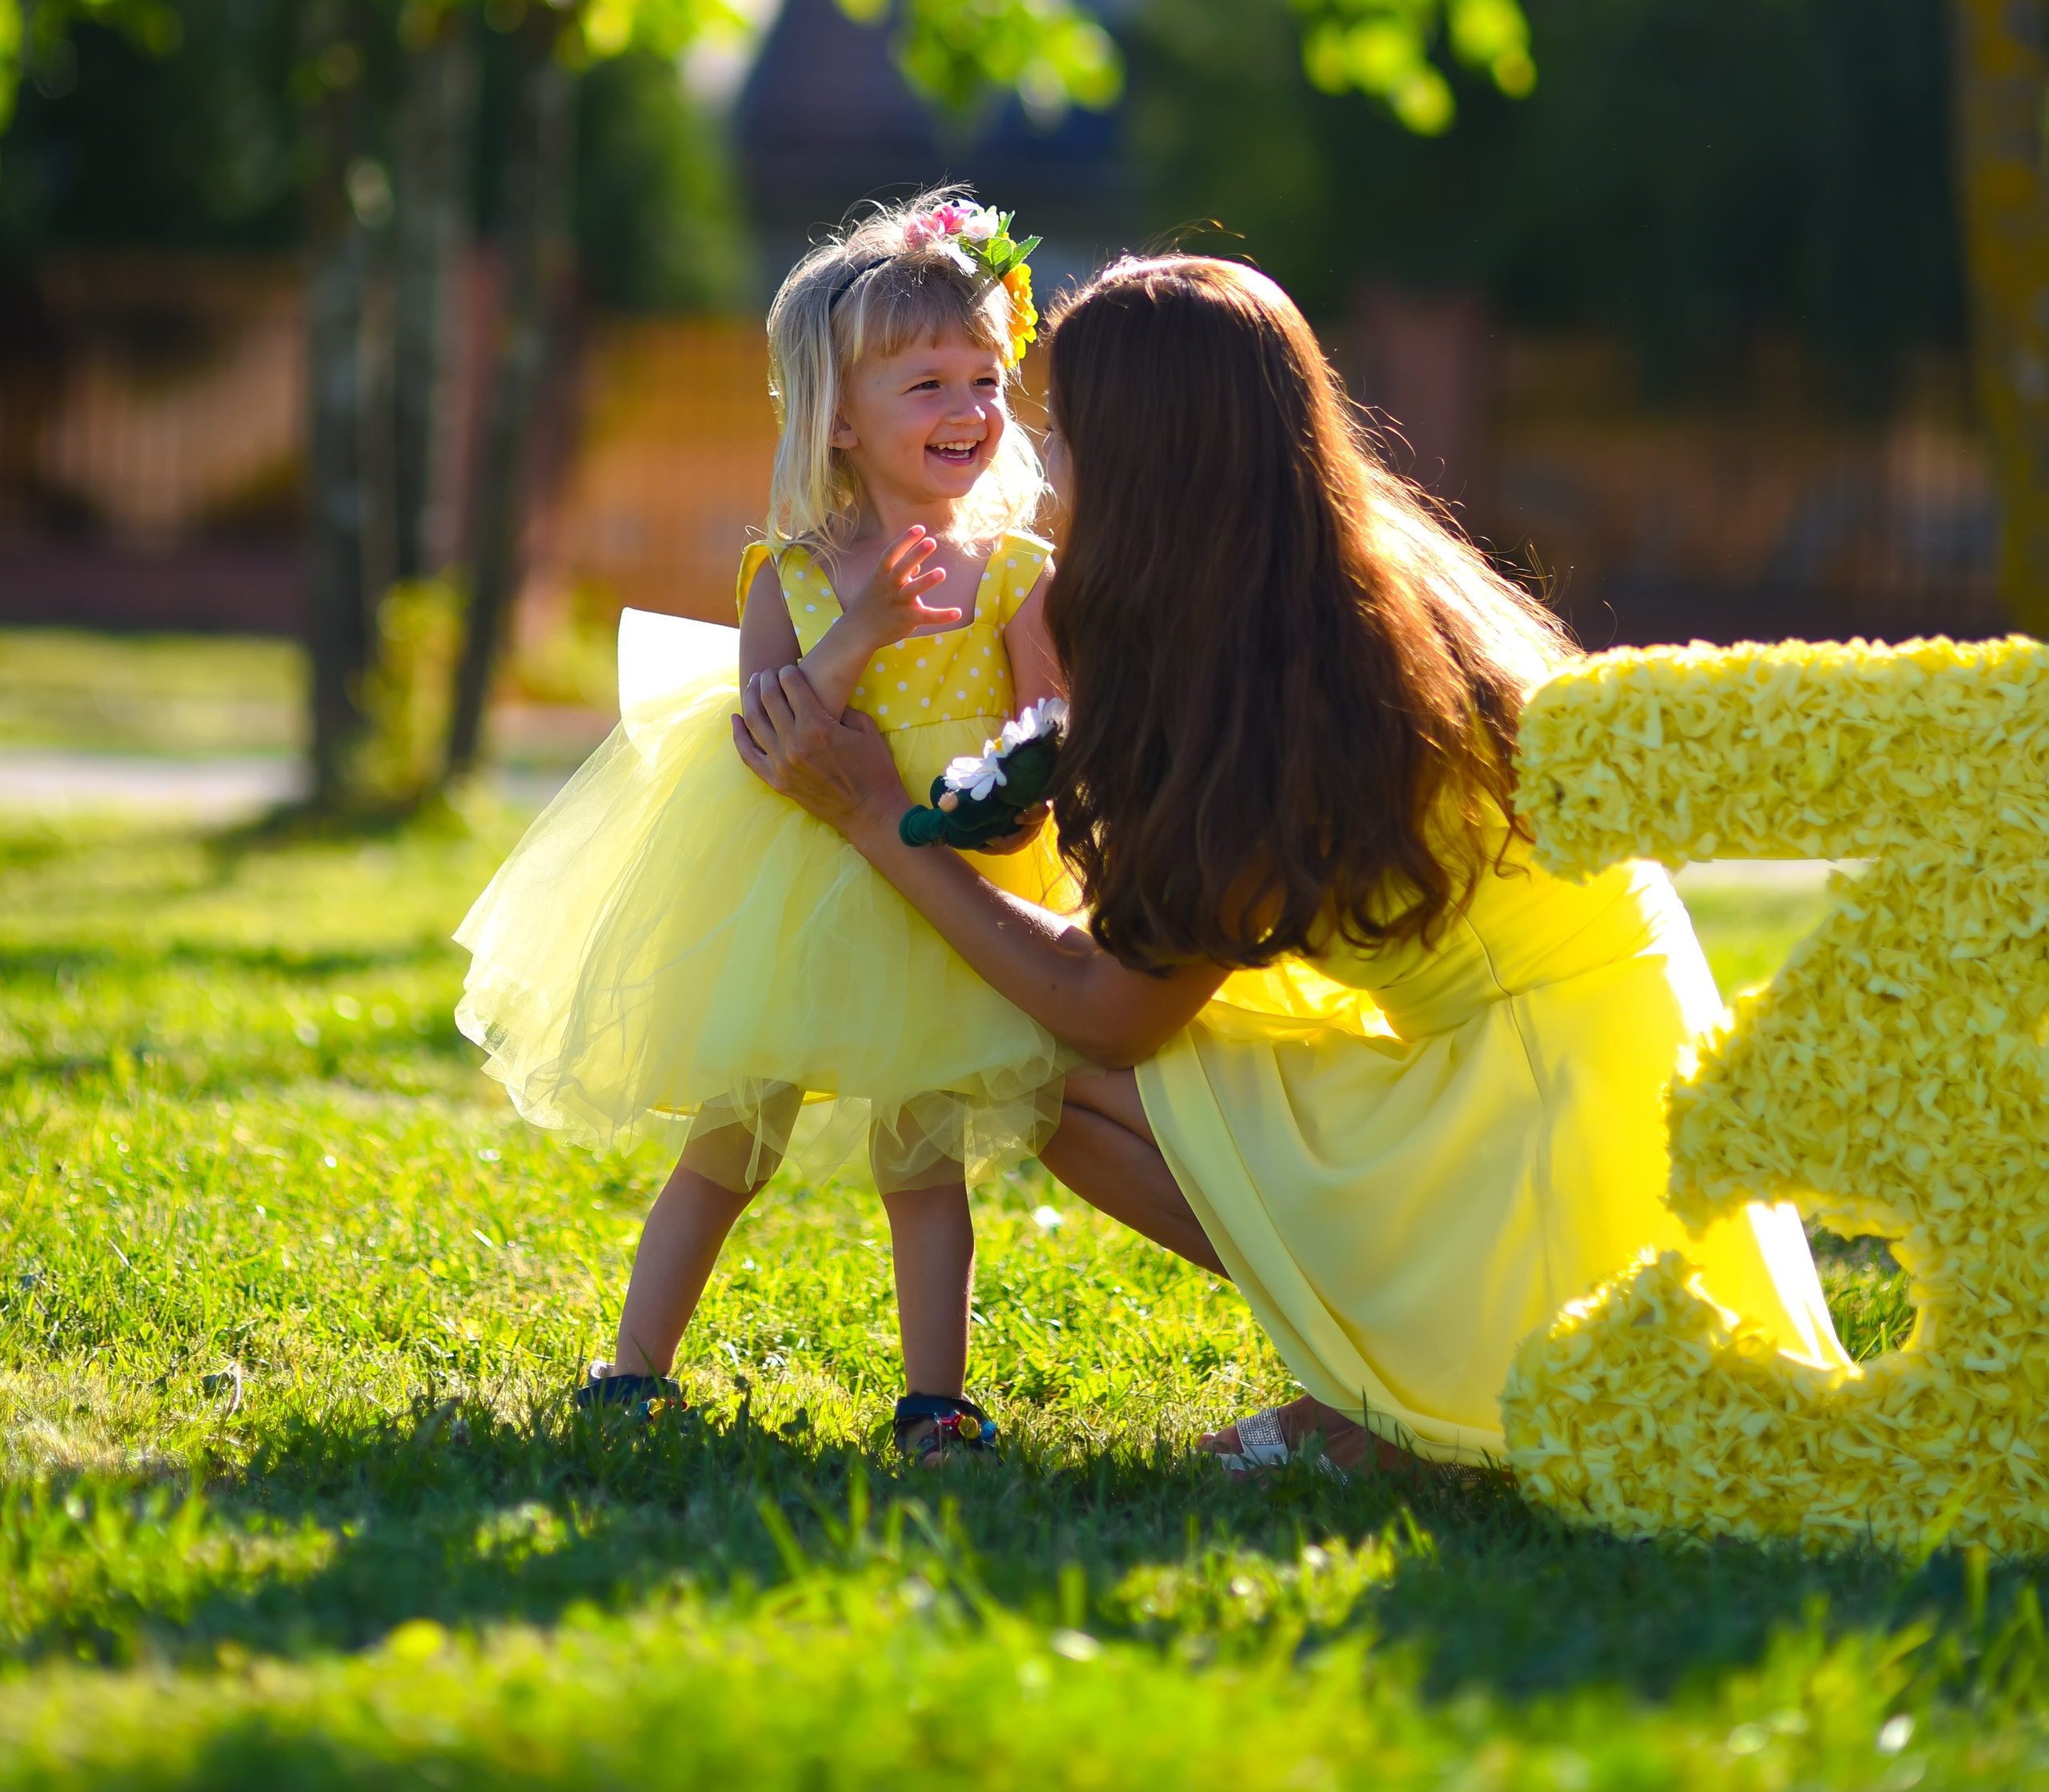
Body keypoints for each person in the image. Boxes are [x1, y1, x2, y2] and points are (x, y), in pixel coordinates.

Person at [733, 254, 1845, 1475]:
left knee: (1045, 1072)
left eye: (1067, 434)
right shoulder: (1343, 577)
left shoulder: (1271, 685)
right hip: (1581, 1060)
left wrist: (880, 815)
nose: (1044, 463)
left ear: (1142, 466)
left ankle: (1411, 1390)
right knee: (1084, 1056)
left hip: (1545, 1122)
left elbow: (1109, 1011)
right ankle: (1397, 1370)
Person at [454, 192, 1073, 1461]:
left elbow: (1046, 730)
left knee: (924, 1159)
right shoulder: (791, 578)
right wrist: (865, 630)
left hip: (944, 891)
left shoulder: (1016, 574)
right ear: (842, 419)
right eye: (926, 384)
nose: (967, 406)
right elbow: (770, 732)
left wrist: (1014, 798)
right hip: (800, 896)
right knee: (729, 1144)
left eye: (984, 378)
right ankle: (633, 1367)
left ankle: (935, 1398)